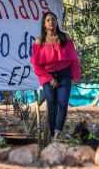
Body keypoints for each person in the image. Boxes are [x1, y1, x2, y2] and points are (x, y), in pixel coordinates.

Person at [30, 11, 81, 142]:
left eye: (53, 19)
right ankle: (54, 137)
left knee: (63, 104)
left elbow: (74, 59)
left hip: (64, 74)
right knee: (52, 106)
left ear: (56, 22)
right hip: (48, 77)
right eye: (48, 20)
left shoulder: (65, 38)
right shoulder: (39, 41)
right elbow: (36, 65)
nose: (51, 22)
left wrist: (75, 76)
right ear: (44, 24)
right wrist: (49, 79)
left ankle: (57, 134)